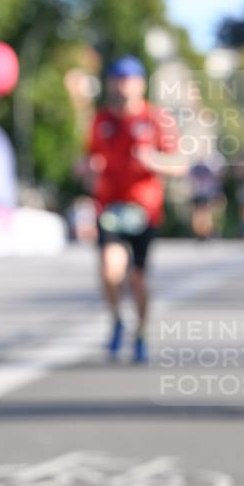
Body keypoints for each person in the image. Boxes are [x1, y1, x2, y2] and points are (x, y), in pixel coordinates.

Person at [86, 56, 184, 362]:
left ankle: (140, 334)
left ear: (140, 84)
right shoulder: (102, 120)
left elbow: (180, 163)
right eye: (117, 79)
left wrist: (154, 160)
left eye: (128, 80)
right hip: (110, 208)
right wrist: (88, 169)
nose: (122, 86)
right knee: (109, 267)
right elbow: (90, 158)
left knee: (137, 279)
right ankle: (117, 320)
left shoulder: (156, 118)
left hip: (144, 210)